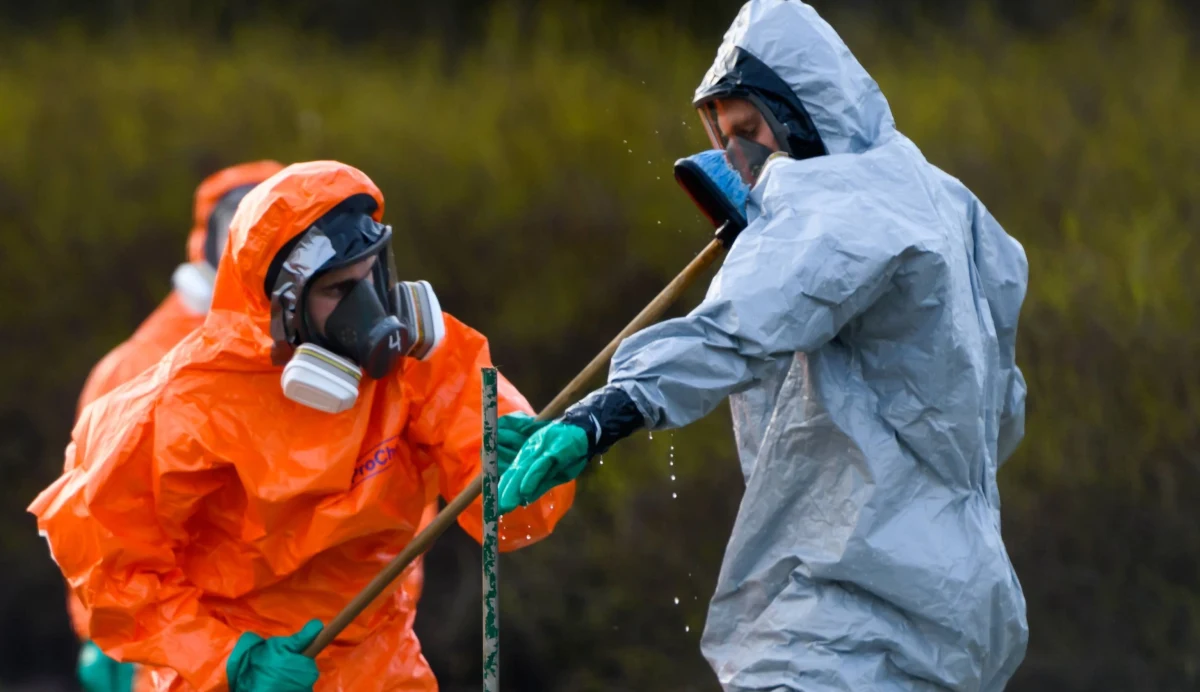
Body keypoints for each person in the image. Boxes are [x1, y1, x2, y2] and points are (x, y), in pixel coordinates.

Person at [497, 1, 1030, 690]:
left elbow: (737, 327)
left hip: (850, 609)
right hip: (959, 598)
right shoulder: (943, 199)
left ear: (806, 110)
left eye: (750, 131)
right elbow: (1003, 408)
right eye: (726, 142)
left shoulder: (838, 205)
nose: (744, 162)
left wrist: (603, 413)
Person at [32, 160, 572, 692]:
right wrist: (229, 661)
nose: (371, 309)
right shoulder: (181, 407)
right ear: (283, 304)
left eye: (373, 276)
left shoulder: (421, 365)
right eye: (339, 291)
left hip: (382, 668)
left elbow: (512, 522)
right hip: (238, 675)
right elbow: (108, 563)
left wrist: (522, 470)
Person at [70, 160, 284, 692]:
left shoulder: (329, 359)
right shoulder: (137, 366)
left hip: (320, 645)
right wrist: (98, 632)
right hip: (188, 655)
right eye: (238, 226)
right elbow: (92, 518)